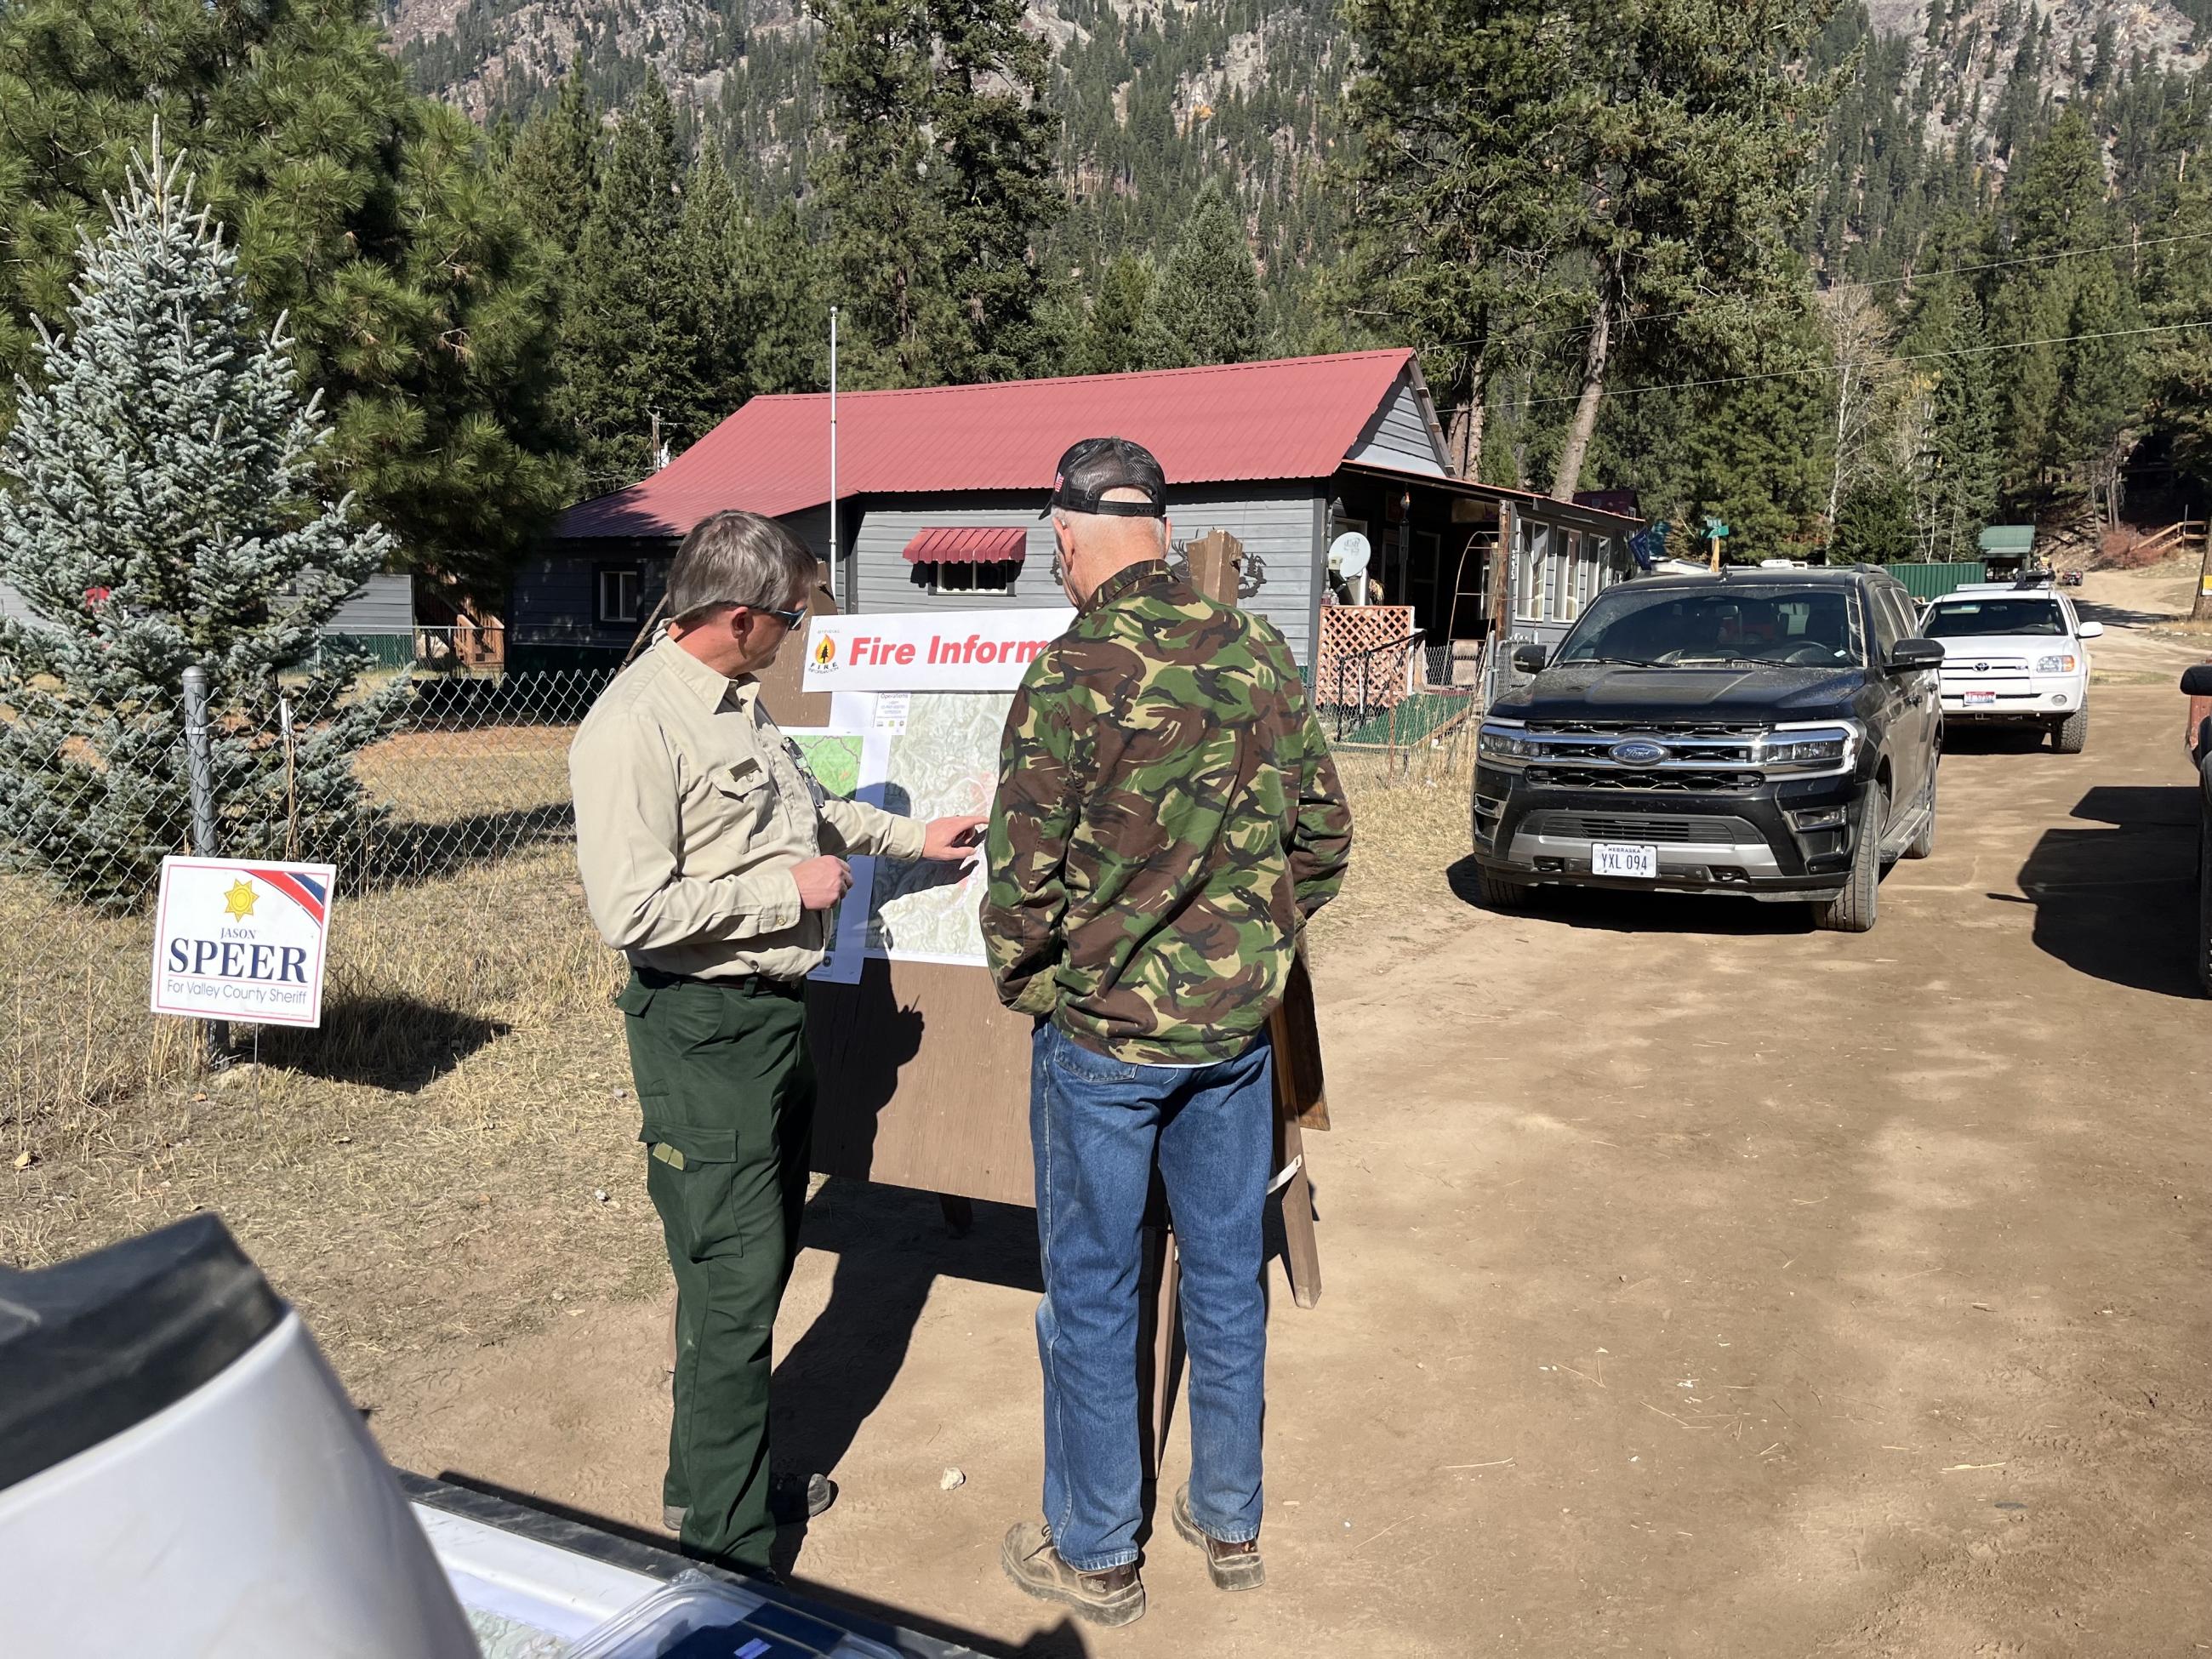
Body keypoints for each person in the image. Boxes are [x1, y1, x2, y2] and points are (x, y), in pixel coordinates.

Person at [981, 437, 1354, 1627]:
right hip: (1232, 1041)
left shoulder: (1072, 669)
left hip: (1104, 1046)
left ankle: (1098, 1551)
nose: (1054, 550)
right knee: (1225, 1273)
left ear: (1077, 527)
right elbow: (1325, 837)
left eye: (1053, 533)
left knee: (1093, 1288)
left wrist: (1046, 986)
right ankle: (1228, 1518)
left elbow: (1019, 885)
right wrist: (1249, 950)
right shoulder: (1258, 650)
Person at [567, 509, 983, 1576]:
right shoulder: (635, 725)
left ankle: (716, 1477)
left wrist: (913, 840)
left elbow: (810, 815)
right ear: (740, 617)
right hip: (704, 1035)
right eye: (790, 621)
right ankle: (727, 1557)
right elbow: (629, 910)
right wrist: (780, 895)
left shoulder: (735, 707)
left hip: (770, 1028)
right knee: (733, 1282)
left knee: (746, 1274)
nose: (797, 638)